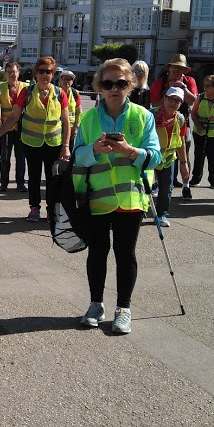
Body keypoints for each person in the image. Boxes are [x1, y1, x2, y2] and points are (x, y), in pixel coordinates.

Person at [73, 58, 161, 334]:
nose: (114, 89)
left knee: (125, 254)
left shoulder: (143, 116)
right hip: (97, 199)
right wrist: (95, 149)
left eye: (121, 83)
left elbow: (156, 158)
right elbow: (77, 157)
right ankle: (95, 304)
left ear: (130, 85)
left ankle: (123, 308)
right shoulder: (88, 119)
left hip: (130, 199)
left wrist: (129, 151)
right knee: (97, 253)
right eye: (108, 83)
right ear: (99, 87)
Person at [0, 56, 70, 222]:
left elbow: (66, 122)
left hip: (53, 144)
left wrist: (66, 146)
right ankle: (34, 209)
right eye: (41, 71)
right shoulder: (26, 92)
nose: (44, 74)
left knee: (52, 179)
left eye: (48, 71)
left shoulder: (59, 94)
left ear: (53, 74)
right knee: (34, 177)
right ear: (35, 73)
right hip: (31, 142)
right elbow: (14, 117)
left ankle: (51, 210)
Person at [150, 53, 198, 196]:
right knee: (160, 152)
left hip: (182, 121)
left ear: (184, 70)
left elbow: (192, 101)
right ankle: (158, 184)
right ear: (168, 68)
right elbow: (155, 103)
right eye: (174, 67)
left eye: (181, 68)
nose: (177, 70)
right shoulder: (159, 83)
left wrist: (182, 88)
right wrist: (169, 93)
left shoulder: (189, 81)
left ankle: (185, 185)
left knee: (184, 152)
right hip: (161, 122)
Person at [153, 87, 191, 227]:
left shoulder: (180, 119)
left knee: (166, 188)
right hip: (150, 157)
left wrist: (184, 163)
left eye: (178, 101)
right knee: (143, 186)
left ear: (181, 104)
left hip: (168, 159)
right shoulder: (151, 115)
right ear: (164, 99)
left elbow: (181, 142)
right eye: (171, 99)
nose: (173, 103)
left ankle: (161, 214)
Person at [0, 61, 28, 192]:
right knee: (5, 157)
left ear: (18, 73)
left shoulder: (27, 87)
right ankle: (4, 182)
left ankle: (20, 183)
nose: (11, 75)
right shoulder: (0, 87)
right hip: (5, 128)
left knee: (21, 157)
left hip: (22, 129)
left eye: (14, 72)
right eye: (8, 72)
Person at [59, 70, 82, 152]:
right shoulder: (55, 92)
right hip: (57, 130)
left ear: (72, 81)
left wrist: (76, 128)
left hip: (71, 131)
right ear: (60, 80)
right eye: (64, 79)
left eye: (69, 79)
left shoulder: (75, 93)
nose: (66, 81)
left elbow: (78, 113)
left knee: (68, 155)